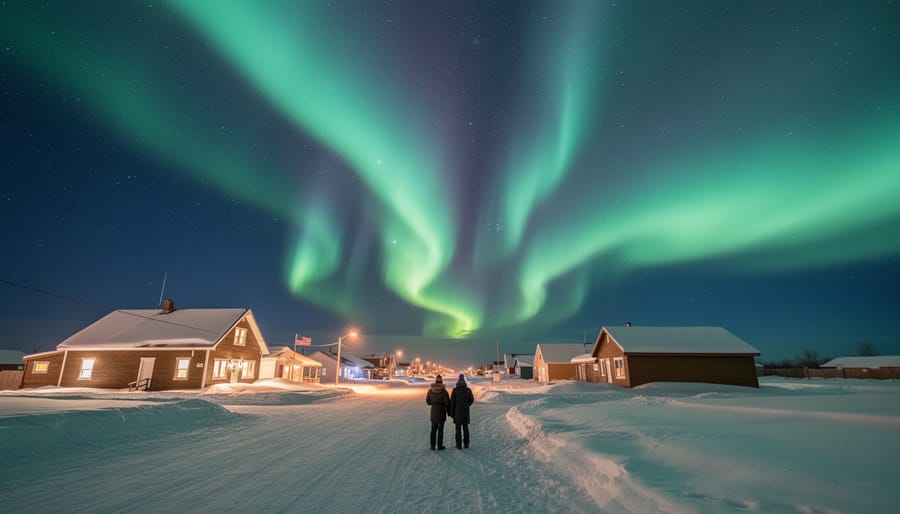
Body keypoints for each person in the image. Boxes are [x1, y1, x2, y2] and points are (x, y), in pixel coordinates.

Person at [449, 373, 475, 449]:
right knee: (465, 428)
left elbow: (452, 402)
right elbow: (471, 400)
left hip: (457, 412)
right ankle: (466, 444)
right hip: (465, 412)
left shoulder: (455, 390)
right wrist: (467, 405)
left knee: (458, 429)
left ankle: (458, 444)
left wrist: (452, 413)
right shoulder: (468, 390)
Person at [425, 374, 450, 450]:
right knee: (440, 430)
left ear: (435, 381)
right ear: (441, 381)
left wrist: (433, 402)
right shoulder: (444, 391)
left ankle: (432, 445)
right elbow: (447, 403)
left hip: (433, 412)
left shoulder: (430, 390)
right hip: (441, 412)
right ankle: (439, 445)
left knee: (433, 429)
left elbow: (428, 402)